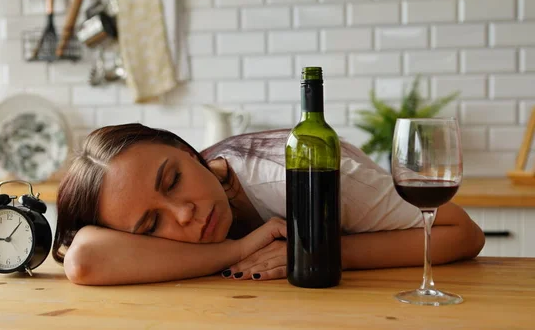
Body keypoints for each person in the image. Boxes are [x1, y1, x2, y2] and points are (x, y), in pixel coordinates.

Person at [52, 123, 485, 286]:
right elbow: (85, 259)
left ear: (191, 152)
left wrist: (309, 253)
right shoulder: (186, 221)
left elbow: (463, 232)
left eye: (173, 179)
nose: (183, 213)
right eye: (150, 226)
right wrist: (241, 249)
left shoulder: (289, 178)